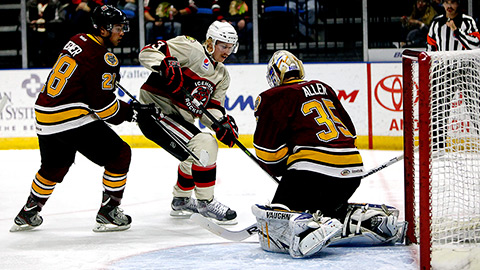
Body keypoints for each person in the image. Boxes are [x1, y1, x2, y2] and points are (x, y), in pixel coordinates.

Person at [251, 50, 406, 258]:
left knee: (277, 222)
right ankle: (366, 220)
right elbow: (350, 132)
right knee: (324, 208)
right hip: (352, 173)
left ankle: (309, 229)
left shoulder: (273, 96)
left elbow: (269, 154)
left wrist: (283, 170)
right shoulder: (324, 88)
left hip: (309, 174)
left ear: (273, 76)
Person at [10, 5, 142, 233]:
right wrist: (130, 113)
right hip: (70, 117)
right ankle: (109, 212)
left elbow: (85, 83)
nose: (123, 33)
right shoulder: (104, 58)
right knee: (120, 155)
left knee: (54, 166)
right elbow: (104, 108)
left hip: (44, 114)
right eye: (119, 28)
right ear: (103, 30)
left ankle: (28, 212)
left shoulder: (78, 39)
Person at [136, 21, 240, 225]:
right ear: (210, 42)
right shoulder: (191, 48)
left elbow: (210, 109)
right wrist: (164, 64)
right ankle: (205, 202)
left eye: (230, 47)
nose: (227, 51)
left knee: (197, 155)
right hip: (155, 110)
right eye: (223, 46)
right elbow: (147, 52)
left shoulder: (222, 76)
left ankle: (181, 199)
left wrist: (221, 125)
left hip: (179, 119)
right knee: (204, 144)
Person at [427, 0, 480, 151]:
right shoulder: (436, 23)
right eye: (446, 2)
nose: (449, 6)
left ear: (459, 4)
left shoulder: (468, 22)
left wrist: (456, 31)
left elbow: (475, 44)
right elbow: (430, 48)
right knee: (439, 108)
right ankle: (438, 146)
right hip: (444, 70)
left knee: (475, 107)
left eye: (453, 2)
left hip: (466, 69)